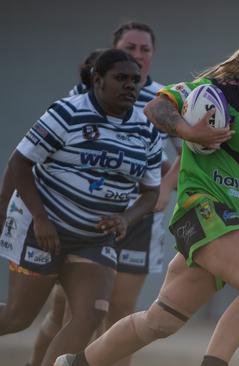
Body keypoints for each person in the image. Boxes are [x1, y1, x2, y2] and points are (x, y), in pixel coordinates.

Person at [54, 19, 239, 366]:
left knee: (160, 321)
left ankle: (73, 363)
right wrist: (189, 132)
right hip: (199, 209)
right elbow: (156, 107)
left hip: (232, 225)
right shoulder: (219, 91)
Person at [0, 48, 161, 366]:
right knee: (19, 318)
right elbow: (19, 163)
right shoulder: (67, 113)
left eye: (135, 80)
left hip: (94, 238)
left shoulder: (146, 130)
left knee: (93, 313)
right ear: (97, 80)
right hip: (43, 230)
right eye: (121, 78)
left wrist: (126, 218)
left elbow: (151, 193)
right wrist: (41, 219)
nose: (130, 85)